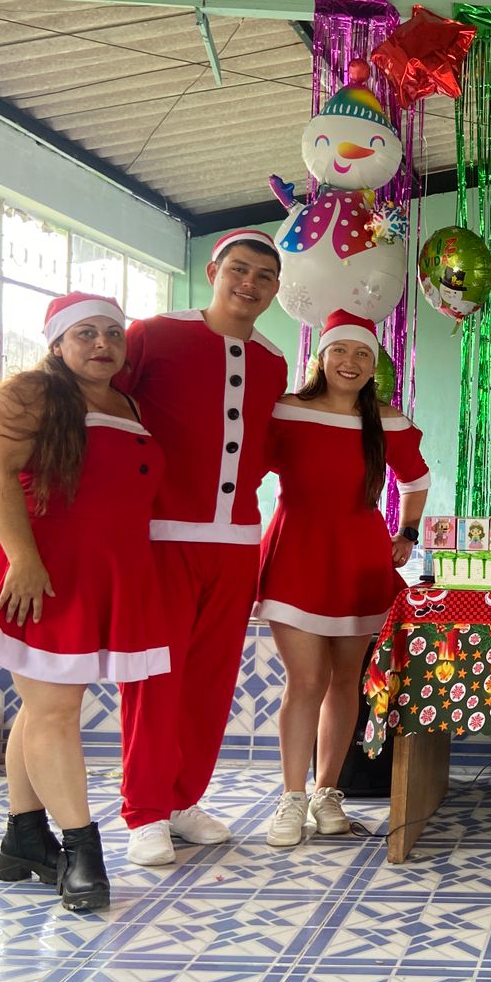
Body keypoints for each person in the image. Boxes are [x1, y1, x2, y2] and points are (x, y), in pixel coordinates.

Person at [0, 293, 170, 911]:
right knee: (55, 711)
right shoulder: (29, 394)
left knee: (44, 707)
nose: (102, 344)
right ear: (57, 343)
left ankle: (23, 840)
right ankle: (80, 852)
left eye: (113, 333)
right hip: (40, 571)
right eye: (86, 333)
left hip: (103, 571)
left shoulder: (126, 402)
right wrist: (23, 560)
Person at [116, 230, 288, 866]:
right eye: (238, 269)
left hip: (237, 542)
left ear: (276, 289)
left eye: (263, 276)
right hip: (163, 537)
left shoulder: (273, 361)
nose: (249, 284)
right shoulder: (154, 334)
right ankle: (144, 811)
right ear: (213, 272)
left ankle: (183, 800)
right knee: (155, 679)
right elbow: (104, 404)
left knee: (211, 681)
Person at [253, 310, 429, 846]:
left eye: (362, 354)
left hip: (359, 557)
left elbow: (417, 478)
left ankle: (327, 792)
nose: (350, 362)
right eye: (340, 351)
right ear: (321, 357)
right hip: (296, 553)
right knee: (305, 680)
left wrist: (408, 532)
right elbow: (243, 468)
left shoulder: (387, 421)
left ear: (373, 366)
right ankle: (292, 797)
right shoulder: (286, 410)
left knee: (344, 680)